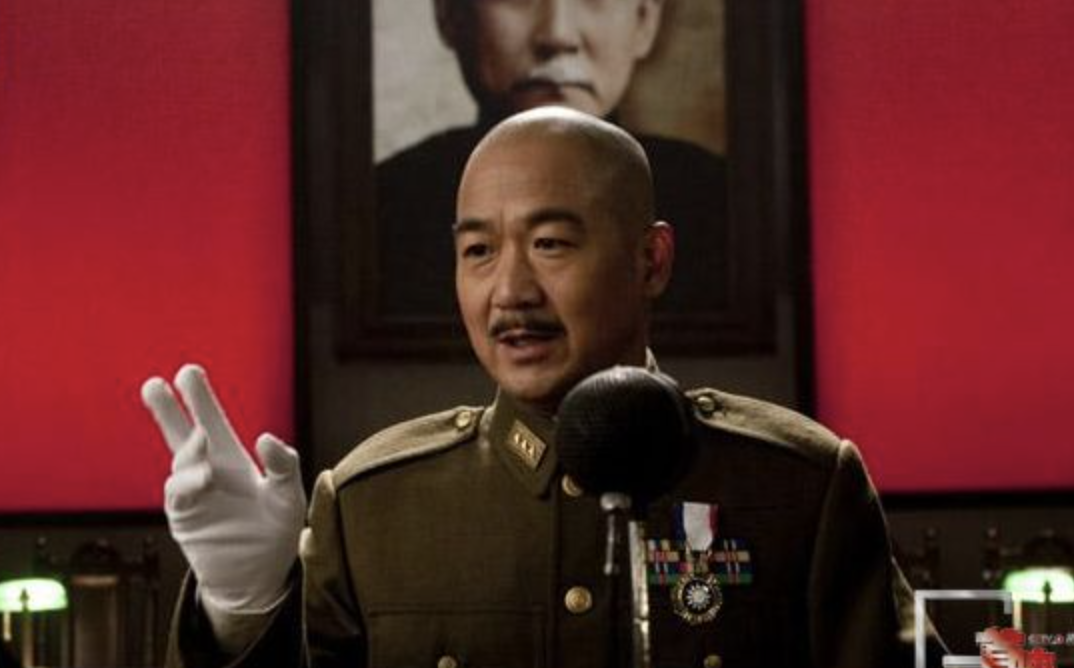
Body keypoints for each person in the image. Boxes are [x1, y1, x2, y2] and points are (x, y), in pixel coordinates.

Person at [144, 108, 923, 667]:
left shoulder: (799, 486)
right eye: (478, 252)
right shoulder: (370, 507)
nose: (509, 292)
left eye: (550, 243)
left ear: (651, 261)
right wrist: (240, 609)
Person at [375, 0, 728, 320]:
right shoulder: (382, 208)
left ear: (644, 20)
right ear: (450, 15)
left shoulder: (719, 203)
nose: (558, 36)